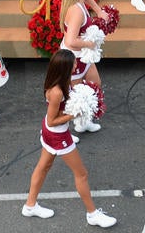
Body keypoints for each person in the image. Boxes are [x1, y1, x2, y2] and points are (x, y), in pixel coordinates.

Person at [20, 49, 118, 227]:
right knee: (81, 174)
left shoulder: (63, 81)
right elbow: (53, 119)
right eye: (73, 63)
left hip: (51, 131)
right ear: (66, 67)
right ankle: (92, 214)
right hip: (57, 134)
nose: (76, 65)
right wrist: (75, 114)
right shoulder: (57, 91)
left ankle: (30, 205)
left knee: (43, 167)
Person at [58, 0, 110, 131]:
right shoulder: (77, 12)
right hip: (74, 59)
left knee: (95, 85)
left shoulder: (79, 0)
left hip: (83, 56)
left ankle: (83, 122)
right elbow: (70, 41)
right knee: (74, 96)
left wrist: (98, 10)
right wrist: (90, 43)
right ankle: (61, 129)